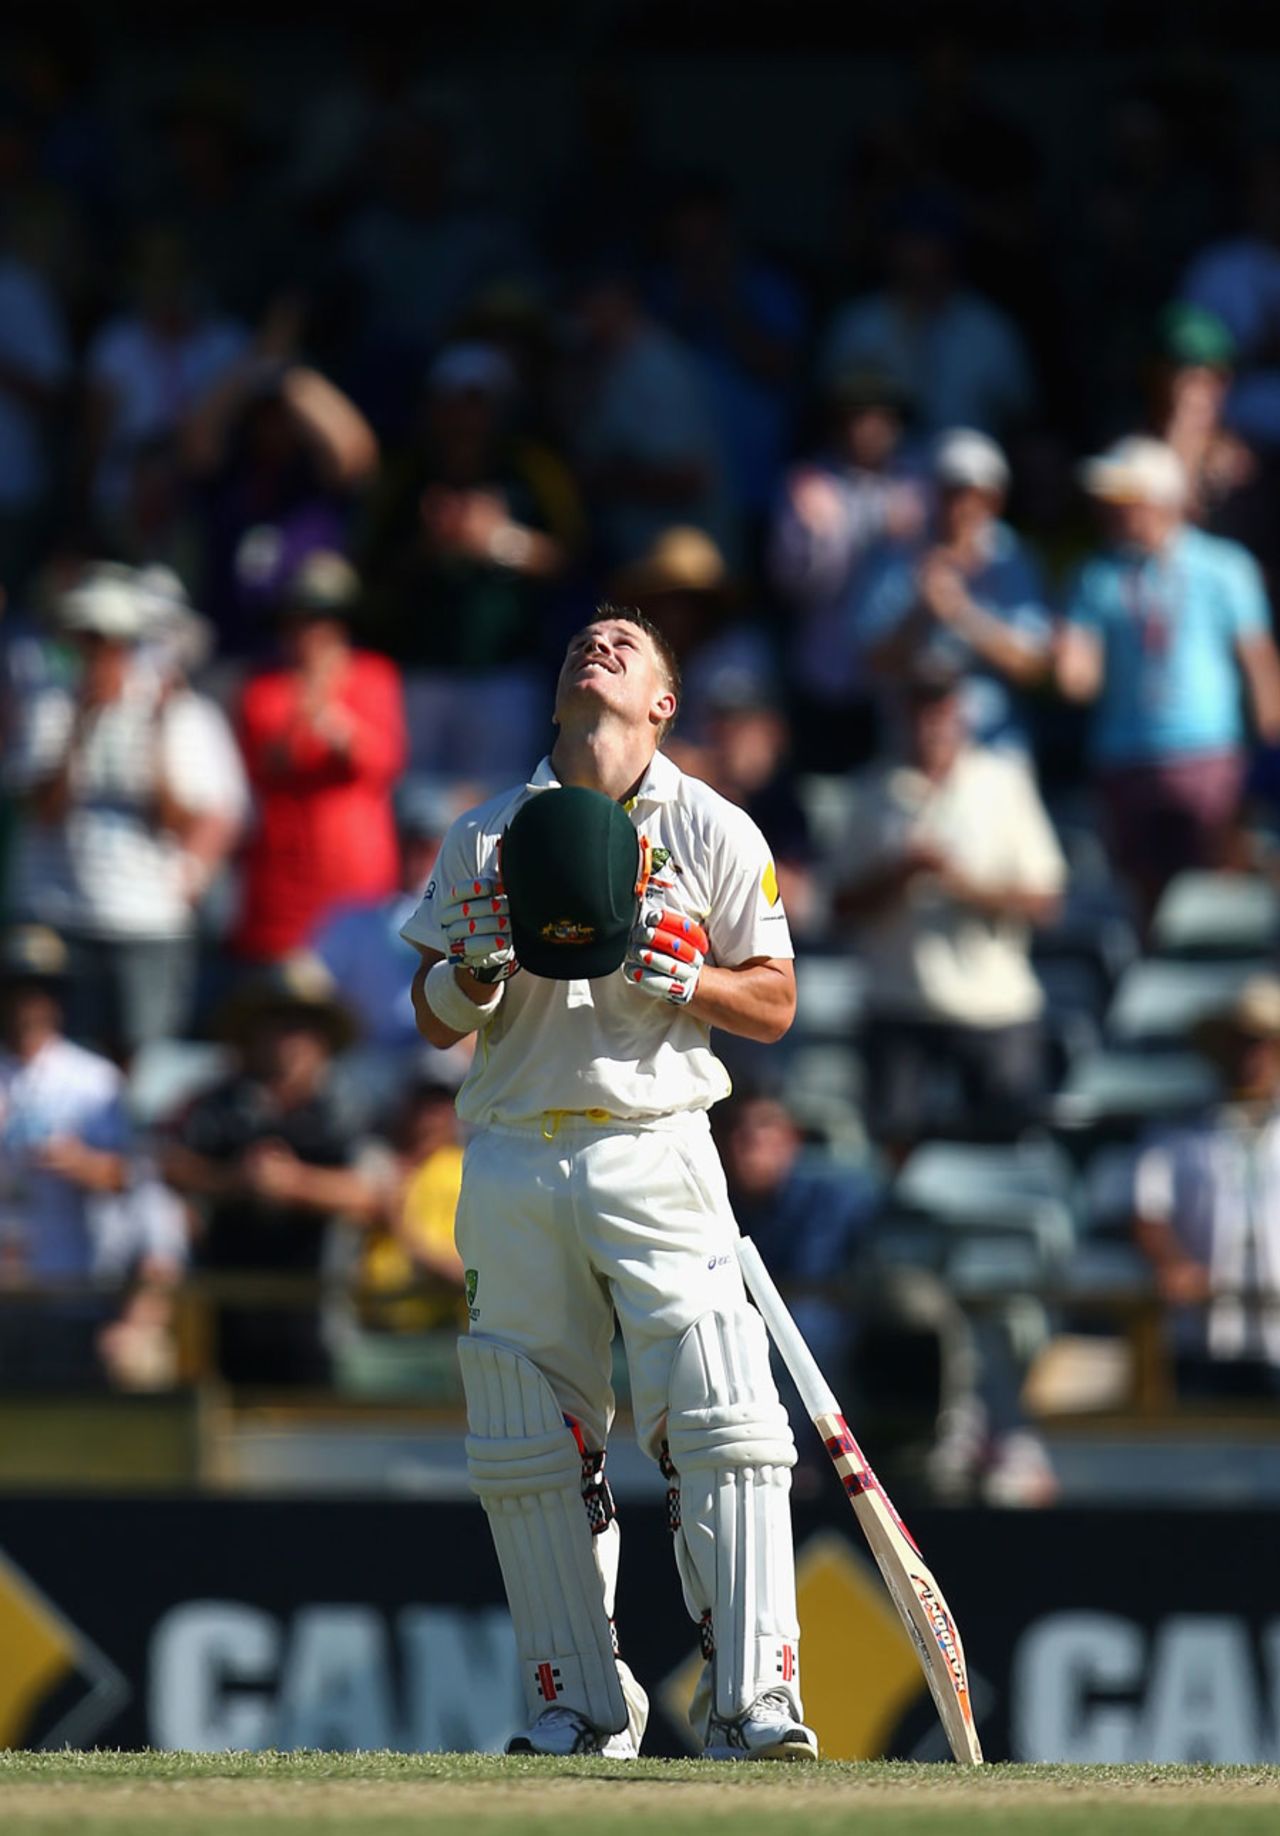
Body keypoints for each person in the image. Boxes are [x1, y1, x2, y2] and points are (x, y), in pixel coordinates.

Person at [401, 606, 814, 1760]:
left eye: (628, 646)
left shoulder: (715, 829)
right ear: (553, 700)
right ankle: (574, 1707)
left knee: (724, 1415)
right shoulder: (482, 835)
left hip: (657, 1141)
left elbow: (774, 1003)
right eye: (585, 642)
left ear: (663, 704)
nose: (600, 646)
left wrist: (694, 978)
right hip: (513, 1151)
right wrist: (473, 971)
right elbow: (430, 1019)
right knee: (527, 1440)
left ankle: (751, 1700)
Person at [4, 567, 248, 1055]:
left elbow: (187, 818)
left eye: (105, 643)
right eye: (85, 642)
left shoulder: (178, 714)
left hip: (145, 920)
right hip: (59, 913)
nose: (93, 655)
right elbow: (42, 808)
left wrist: (154, 740)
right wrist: (79, 725)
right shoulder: (49, 707)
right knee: (60, 1053)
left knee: (145, 1053)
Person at [835, 662, 1066, 1154]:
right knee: (895, 1156)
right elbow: (836, 907)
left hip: (994, 1007)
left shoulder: (1003, 783)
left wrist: (965, 887)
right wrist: (900, 873)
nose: (930, 722)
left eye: (940, 708)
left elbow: (1046, 900)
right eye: (919, 707)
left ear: (959, 712)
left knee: (1004, 1150)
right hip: (898, 1005)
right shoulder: (871, 790)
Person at [1055, 435, 1280, 925]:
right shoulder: (1095, 576)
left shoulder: (1224, 567)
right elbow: (1078, 678)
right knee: (1141, 898)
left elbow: (1259, 663)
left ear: (1160, 502)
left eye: (1123, 500)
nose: (1110, 512)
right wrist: (1060, 655)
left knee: (1220, 886)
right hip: (1125, 756)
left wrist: (1269, 747)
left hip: (1208, 756)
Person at [159, 961, 378, 1387]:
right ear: (252, 1034)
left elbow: (372, 1194)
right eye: (277, 1025)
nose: (289, 1041)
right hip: (225, 1307)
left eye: (302, 1027)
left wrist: (295, 1183)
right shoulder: (215, 1105)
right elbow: (169, 1164)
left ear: (323, 1039)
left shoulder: (345, 1110)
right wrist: (233, 1180)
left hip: (315, 1312)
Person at [233, 551, 407, 963]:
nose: (309, 635)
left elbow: (385, 762)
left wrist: (338, 728)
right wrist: (305, 711)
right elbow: (266, 765)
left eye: (321, 622)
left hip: (359, 881)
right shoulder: (263, 689)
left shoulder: (375, 676)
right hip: (283, 886)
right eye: (298, 623)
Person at [769, 367, 929, 769]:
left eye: (879, 417)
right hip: (830, 667)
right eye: (857, 417)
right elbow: (790, 584)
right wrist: (822, 540)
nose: (868, 429)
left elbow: (934, 564)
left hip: (899, 670)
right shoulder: (808, 483)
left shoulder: (918, 480)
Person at [860, 429, 1052, 759]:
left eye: (976, 495)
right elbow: (870, 662)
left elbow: (1033, 666)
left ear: (996, 500)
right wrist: (920, 613)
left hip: (994, 753)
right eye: (951, 493)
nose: (961, 508)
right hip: (910, 751)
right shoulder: (897, 557)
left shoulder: (1014, 558)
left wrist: (961, 613)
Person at [1134, 977, 1280, 1398]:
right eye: (1243, 1042)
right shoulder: (1177, 1131)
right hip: (1205, 1331)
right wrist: (1172, 1263)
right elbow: (1148, 1211)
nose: (1254, 1056)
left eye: (1264, 1042)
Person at [0, 925, 132, 1386]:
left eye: (40, 992)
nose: (27, 1006)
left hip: (67, 1284)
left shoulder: (93, 1079)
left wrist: (79, 1163)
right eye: (16, 992)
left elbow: (131, 1179)